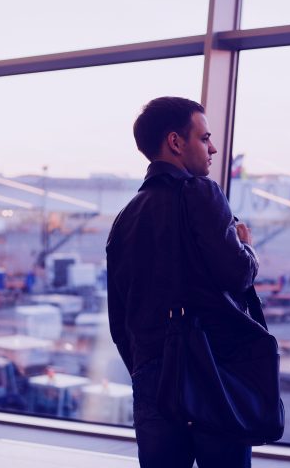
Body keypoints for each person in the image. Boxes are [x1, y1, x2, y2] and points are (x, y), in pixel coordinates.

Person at [106, 97, 259, 468]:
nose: (213, 148)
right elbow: (237, 274)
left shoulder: (125, 218)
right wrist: (246, 247)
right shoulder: (201, 192)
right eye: (204, 138)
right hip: (211, 372)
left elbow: (119, 321)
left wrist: (146, 367)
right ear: (175, 142)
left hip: (151, 378)